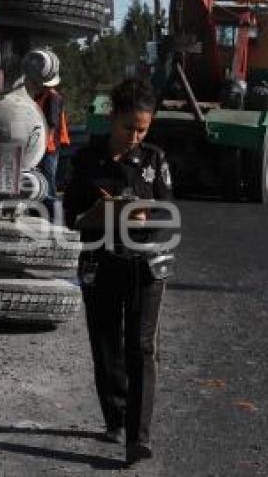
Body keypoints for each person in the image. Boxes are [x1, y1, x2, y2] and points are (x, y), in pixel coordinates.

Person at [63, 77, 176, 466]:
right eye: (129, 127)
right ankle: (116, 418)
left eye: (143, 129)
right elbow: (69, 217)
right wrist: (97, 215)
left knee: (142, 347)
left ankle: (138, 436)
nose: (135, 136)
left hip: (146, 265)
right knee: (107, 342)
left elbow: (168, 213)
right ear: (112, 118)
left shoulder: (154, 160)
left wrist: (145, 217)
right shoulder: (85, 161)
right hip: (101, 262)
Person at [20, 49, 71, 219]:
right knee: (40, 185)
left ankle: (54, 219)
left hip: (48, 150)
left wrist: (38, 150)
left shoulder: (53, 98)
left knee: (48, 186)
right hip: (43, 148)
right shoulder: (40, 96)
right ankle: (42, 215)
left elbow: (51, 126)